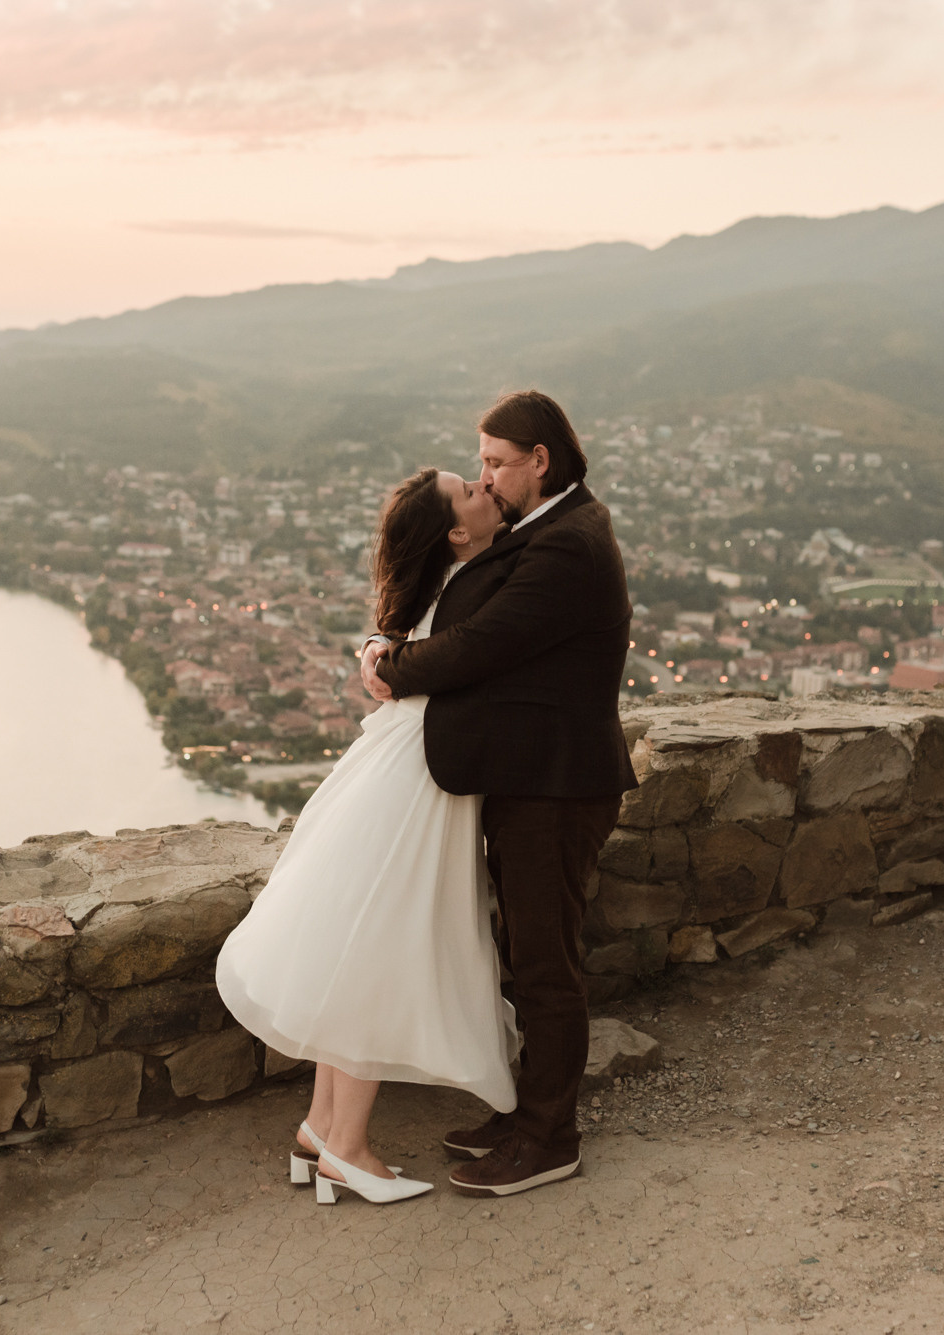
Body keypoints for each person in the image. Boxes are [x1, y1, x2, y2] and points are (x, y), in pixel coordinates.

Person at [361, 389, 638, 1198]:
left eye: (493, 462)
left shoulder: (569, 545)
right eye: (478, 463)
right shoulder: (543, 526)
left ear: (538, 461)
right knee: (524, 953)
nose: (483, 476)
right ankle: (527, 1113)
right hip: (530, 777)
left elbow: (483, 644)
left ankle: (550, 1137)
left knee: (545, 963)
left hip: (558, 785)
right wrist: (388, 632)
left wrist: (390, 668)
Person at [216, 465, 510, 1205]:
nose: (484, 485)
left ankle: (321, 1127)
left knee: (356, 950)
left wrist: (379, 651)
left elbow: (407, 653)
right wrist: (382, 654)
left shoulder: (449, 583)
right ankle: (348, 1149)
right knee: (377, 956)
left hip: (396, 768)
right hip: (414, 782)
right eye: (470, 489)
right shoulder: (472, 584)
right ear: (454, 530)